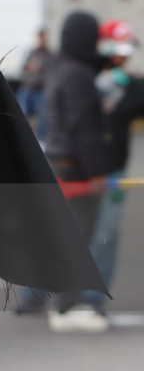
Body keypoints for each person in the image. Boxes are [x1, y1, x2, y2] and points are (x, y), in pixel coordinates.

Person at [41, 11, 111, 332]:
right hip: (76, 167)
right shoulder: (79, 75)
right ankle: (66, 309)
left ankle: (51, 301)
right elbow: (83, 129)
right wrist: (97, 173)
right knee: (77, 238)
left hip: (59, 160)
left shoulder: (59, 67)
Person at [77, 19, 144, 316]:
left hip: (112, 171)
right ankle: (34, 293)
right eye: (119, 48)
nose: (124, 55)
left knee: (106, 232)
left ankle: (91, 301)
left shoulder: (129, 85)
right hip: (76, 170)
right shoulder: (79, 75)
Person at [16, 28, 52, 144]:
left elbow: (50, 73)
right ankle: (21, 138)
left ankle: (41, 140)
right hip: (28, 88)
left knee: (42, 116)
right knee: (20, 113)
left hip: (40, 89)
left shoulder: (49, 55)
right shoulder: (33, 53)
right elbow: (24, 67)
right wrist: (29, 68)